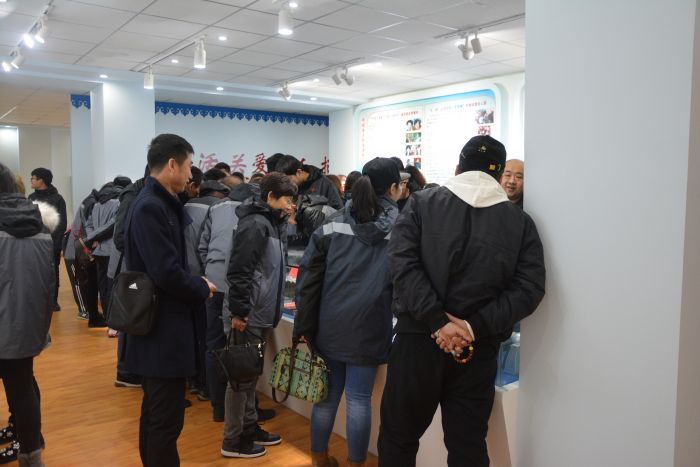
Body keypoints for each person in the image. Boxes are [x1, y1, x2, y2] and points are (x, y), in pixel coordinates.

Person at [378, 135, 546, 467]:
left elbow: (402, 265)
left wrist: (437, 321)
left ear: (458, 168)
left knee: (399, 439)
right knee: (468, 446)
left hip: (416, 341)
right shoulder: (519, 222)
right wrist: (472, 326)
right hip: (477, 348)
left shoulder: (422, 204)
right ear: (498, 174)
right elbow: (529, 288)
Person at [294, 157, 402, 467]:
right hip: (371, 327)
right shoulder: (402, 229)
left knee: (327, 398)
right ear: (393, 188)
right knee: (358, 399)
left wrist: (304, 325)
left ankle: (319, 459)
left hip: (330, 325)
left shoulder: (333, 223)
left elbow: (308, 279)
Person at [122, 134, 216, 467]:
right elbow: (166, 272)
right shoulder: (152, 206)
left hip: (163, 327)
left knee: (157, 415)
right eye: (189, 166)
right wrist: (201, 286)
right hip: (161, 330)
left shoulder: (158, 203)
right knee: (165, 420)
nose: (191, 175)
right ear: (172, 164)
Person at [222, 172, 296, 459]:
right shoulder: (255, 223)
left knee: (250, 378)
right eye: (287, 199)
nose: (291, 204)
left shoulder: (271, 223)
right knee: (240, 380)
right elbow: (239, 270)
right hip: (249, 314)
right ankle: (233, 440)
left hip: (261, 312)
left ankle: (249, 428)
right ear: (270, 197)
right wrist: (239, 312)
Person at [0, 162, 57, 467]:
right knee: (22, 386)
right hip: (28, 323)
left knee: (20, 388)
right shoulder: (40, 227)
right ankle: (31, 453)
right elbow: (49, 285)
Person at [183, 178, 230, 400]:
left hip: (183, 279)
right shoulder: (217, 209)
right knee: (210, 337)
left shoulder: (183, 206)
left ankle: (194, 380)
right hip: (207, 282)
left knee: (194, 334)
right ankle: (208, 388)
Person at [110, 166, 150, 387]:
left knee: (136, 318)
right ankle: (126, 372)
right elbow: (120, 237)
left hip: (137, 268)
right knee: (131, 318)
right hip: (133, 270)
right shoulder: (133, 195)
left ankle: (131, 370)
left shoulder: (141, 193)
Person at [85, 178, 130, 317]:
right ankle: (113, 316)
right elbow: (113, 226)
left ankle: (106, 314)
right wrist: (94, 238)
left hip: (98, 251)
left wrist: (92, 238)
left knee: (102, 285)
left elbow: (88, 225)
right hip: (112, 251)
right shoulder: (119, 203)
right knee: (113, 285)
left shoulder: (97, 204)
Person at [28, 168, 67, 311]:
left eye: (33, 178)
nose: (31, 180)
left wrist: (56, 244)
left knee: (53, 273)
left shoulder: (58, 199)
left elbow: (61, 224)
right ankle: (38, 301)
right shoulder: (31, 198)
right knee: (35, 272)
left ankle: (53, 301)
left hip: (52, 243)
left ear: (41, 181)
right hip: (35, 243)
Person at [275, 155, 343, 210]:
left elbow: (339, 211)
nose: (286, 183)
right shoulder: (290, 189)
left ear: (298, 172)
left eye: (287, 180)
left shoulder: (324, 183)